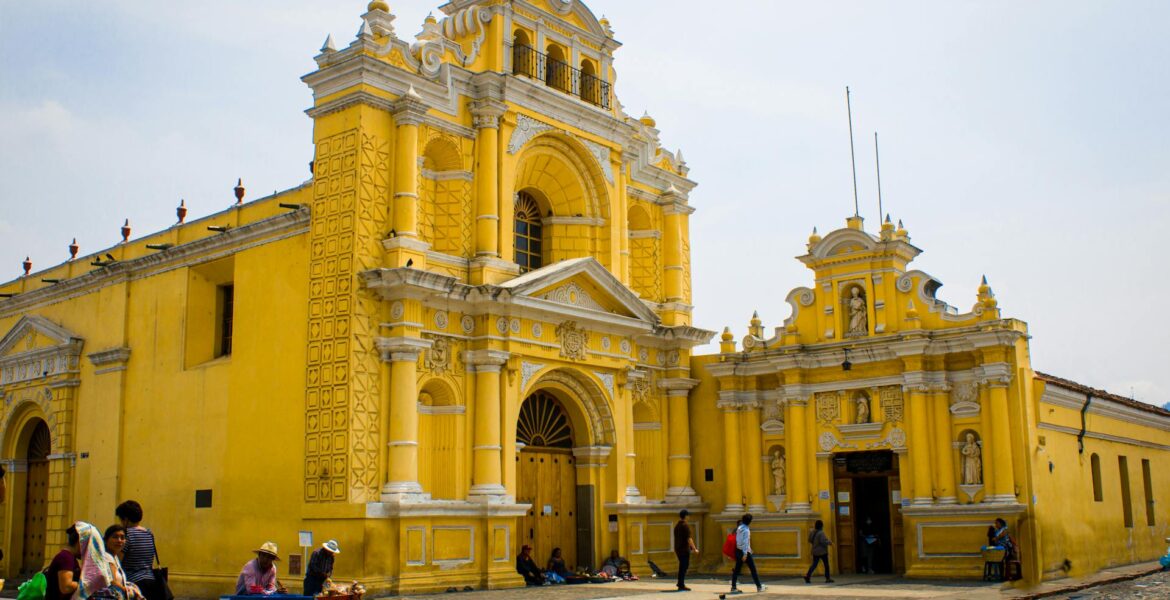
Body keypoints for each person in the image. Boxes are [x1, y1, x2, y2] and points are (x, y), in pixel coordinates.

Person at [116, 501, 158, 600]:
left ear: (125, 519)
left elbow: (118, 561)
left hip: (133, 582)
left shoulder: (127, 535)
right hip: (151, 579)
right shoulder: (149, 533)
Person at [93, 525, 145, 600]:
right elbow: (112, 582)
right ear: (106, 540)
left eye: (122, 538)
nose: (119, 540)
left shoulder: (115, 557)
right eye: (115, 537)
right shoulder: (107, 557)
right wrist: (129, 591)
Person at [730, 514, 765, 594]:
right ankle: (759, 587)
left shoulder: (739, 528)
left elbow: (739, 540)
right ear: (750, 522)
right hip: (744, 552)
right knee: (753, 570)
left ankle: (733, 587)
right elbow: (745, 542)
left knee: (736, 570)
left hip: (738, 550)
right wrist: (745, 554)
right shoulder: (746, 530)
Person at [45, 525, 82, 600]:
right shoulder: (66, 557)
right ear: (79, 543)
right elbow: (66, 587)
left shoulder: (70, 557)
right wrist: (86, 585)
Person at [673, 509, 698, 591]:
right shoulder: (685, 526)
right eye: (688, 515)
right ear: (686, 516)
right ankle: (681, 584)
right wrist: (694, 548)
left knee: (682, 566)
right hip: (684, 549)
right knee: (684, 566)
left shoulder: (677, 525)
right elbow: (689, 538)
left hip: (678, 548)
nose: (689, 517)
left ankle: (680, 583)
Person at [804, 519, 834, 584]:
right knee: (826, 565)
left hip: (814, 551)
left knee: (814, 564)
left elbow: (809, 540)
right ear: (821, 526)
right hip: (822, 551)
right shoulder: (821, 533)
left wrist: (815, 543)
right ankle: (827, 578)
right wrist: (829, 542)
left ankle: (808, 576)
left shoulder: (812, 532)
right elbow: (823, 542)